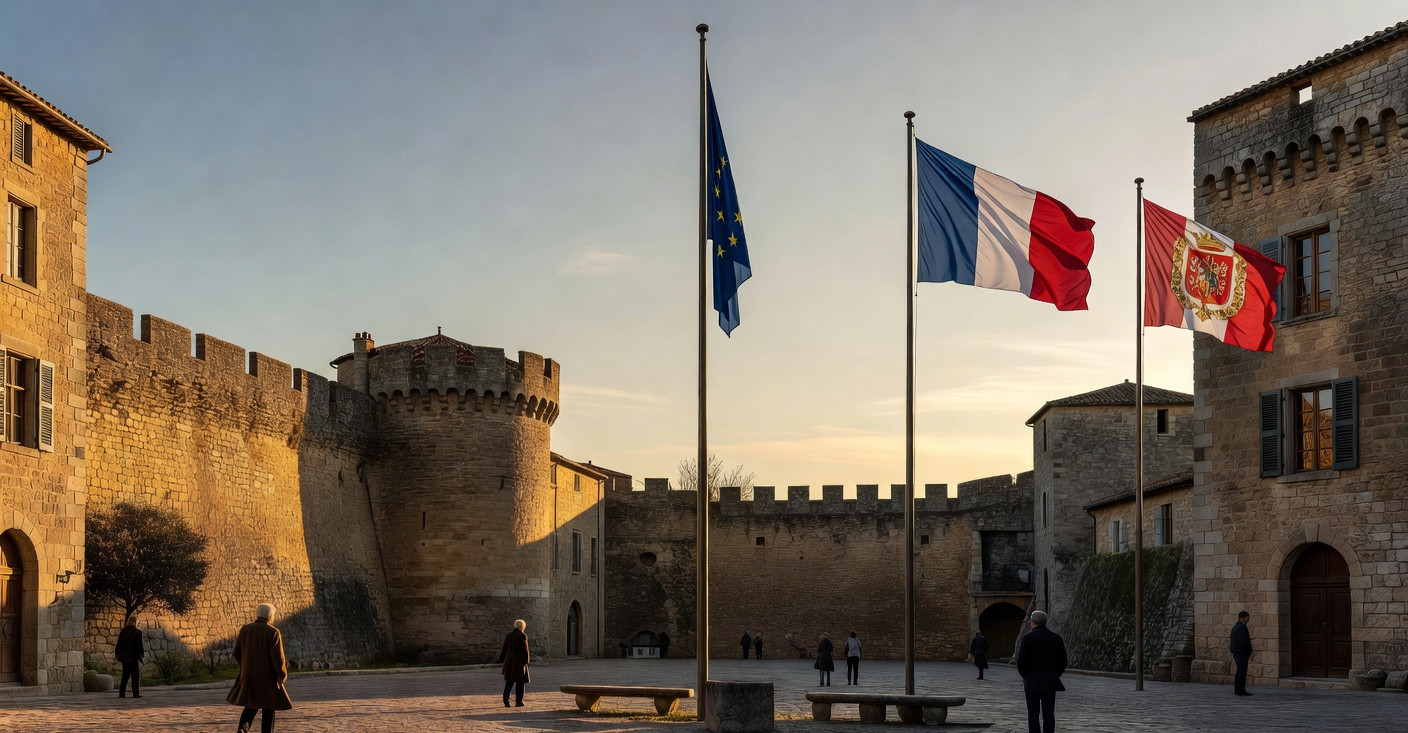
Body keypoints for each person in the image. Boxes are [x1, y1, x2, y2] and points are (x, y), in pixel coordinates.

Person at [226, 603, 292, 733]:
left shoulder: (245, 629)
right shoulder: (273, 632)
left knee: (250, 706)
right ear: (269, 616)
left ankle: (242, 729)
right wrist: (281, 675)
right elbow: (278, 658)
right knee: (268, 709)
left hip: (248, 676)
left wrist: (244, 666)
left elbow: (236, 653)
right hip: (267, 678)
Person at [1016, 611, 1067, 733]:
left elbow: (1021, 662)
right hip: (1050, 682)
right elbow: (1063, 661)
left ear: (1032, 622)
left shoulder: (1027, 638)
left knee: (1033, 714)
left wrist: (1026, 676)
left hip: (1032, 682)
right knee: (1049, 714)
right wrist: (1055, 674)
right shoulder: (1056, 638)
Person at [497, 619, 531, 707]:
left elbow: (504, 649)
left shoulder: (509, 635)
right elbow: (525, 650)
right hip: (519, 662)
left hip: (509, 661)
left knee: (509, 682)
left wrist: (501, 659)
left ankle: (506, 700)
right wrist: (526, 661)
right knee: (520, 682)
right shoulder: (523, 636)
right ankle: (519, 701)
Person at [114, 614, 144, 698]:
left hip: (124, 657)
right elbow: (139, 646)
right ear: (135, 622)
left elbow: (119, 644)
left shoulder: (123, 631)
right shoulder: (138, 632)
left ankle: (122, 693)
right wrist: (141, 654)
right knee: (135, 675)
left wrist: (117, 654)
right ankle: (135, 693)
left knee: (125, 675)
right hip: (133, 656)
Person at [1230, 610, 1253, 696]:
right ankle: (1240, 690)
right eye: (1247, 617)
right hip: (1240, 652)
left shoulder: (1237, 626)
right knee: (1241, 672)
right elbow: (1242, 641)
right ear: (1243, 618)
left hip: (1238, 652)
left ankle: (1238, 689)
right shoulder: (1241, 627)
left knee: (1240, 671)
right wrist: (1247, 650)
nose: (1249, 619)